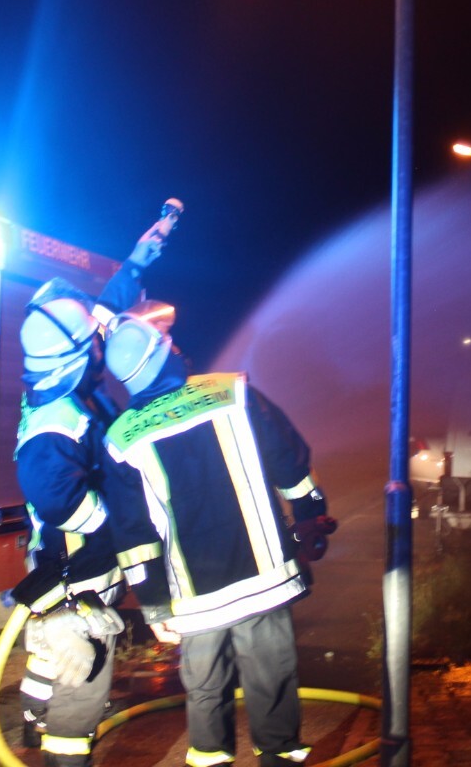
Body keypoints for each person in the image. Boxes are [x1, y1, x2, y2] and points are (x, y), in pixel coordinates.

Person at [100, 300, 337, 767]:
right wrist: (311, 514)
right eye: (168, 343)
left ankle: (211, 758)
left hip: (193, 598)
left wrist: (153, 604)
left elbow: (133, 534)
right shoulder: (234, 392)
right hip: (264, 579)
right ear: (165, 353)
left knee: (205, 690)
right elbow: (290, 462)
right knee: (272, 680)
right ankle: (279, 757)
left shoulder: (121, 439)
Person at [8, 219, 173, 766]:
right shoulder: (54, 428)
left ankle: (34, 718)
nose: (104, 343)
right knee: (84, 676)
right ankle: (63, 747)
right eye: (96, 343)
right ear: (81, 355)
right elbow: (55, 498)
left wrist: (143, 253)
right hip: (78, 578)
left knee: (50, 662)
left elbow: (104, 309)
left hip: (68, 566)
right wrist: (113, 520)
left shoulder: (61, 376)